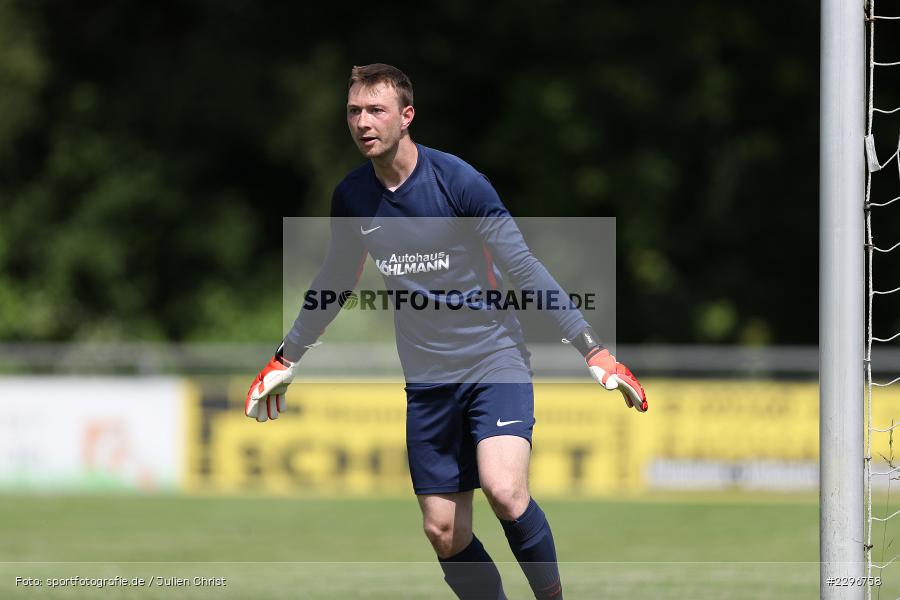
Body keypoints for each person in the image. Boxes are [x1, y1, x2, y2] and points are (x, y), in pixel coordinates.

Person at [245, 63, 647, 600]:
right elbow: (336, 280)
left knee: (505, 490)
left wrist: (592, 348)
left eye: (376, 110)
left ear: (407, 116)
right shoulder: (352, 198)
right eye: (354, 111)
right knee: (443, 531)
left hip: (492, 360)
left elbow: (523, 268)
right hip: (428, 380)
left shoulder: (459, 182)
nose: (363, 122)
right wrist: (285, 357)